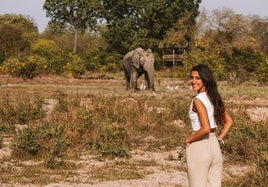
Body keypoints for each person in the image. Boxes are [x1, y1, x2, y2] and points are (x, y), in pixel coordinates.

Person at [185, 64, 233, 187]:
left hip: (200, 145)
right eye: (192, 77)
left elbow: (205, 128)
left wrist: (189, 139)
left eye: (197, 78)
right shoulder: (214, 98)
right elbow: (229, 121)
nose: (193, 81)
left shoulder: (197, 100)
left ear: (205, 79)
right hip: (214, 146)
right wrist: (219, 139)